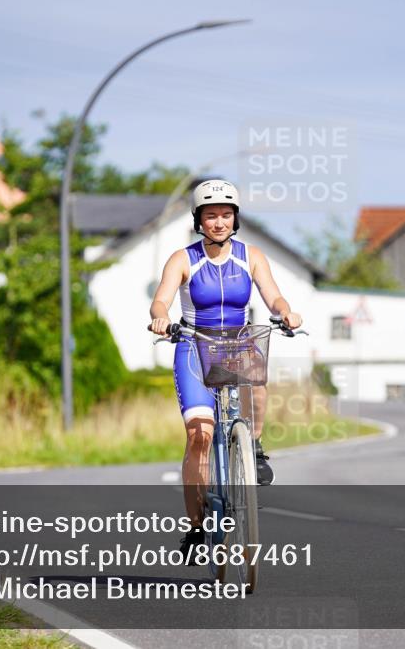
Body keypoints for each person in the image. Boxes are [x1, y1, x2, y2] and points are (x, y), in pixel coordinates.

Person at [148, 179, 302, 559]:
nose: (219, 222)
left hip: (236, 344)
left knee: (258, 383)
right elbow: (160, 301)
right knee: (200, 434)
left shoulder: (251, 256)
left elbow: (273, 293)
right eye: (211, 215)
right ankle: (197, 527)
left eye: (226, 215)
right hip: (193, 347)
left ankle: (254, 447)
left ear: (236, 219)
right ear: (199, 220)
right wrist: (160, 318)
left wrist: (285, 312)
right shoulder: (183, 259)